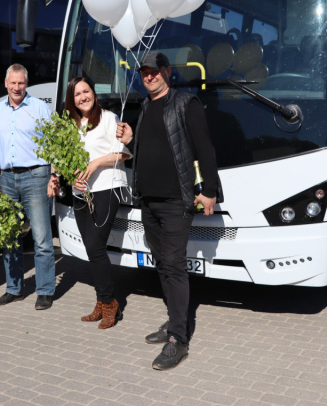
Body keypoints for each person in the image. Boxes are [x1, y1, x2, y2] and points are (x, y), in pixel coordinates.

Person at [116, 51, 220, 370]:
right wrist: (130, 142)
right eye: (144, 72)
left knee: (174, 266)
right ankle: (176, 321)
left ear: (166, 72)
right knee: (161, 264)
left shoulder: (186, 104)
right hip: (149, 200)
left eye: (154, 71)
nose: (149, 76)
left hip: (177, 201)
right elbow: (148, 151)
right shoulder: (146, 107)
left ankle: (179, 339)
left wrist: (210, 192)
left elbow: (205, 148)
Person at [53, 76, 131, 329]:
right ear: (71, 99)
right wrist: (69, 177)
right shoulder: (69, 125)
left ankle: (110, 303)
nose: (82, 97)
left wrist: (96, 163)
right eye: (77, 94)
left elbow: (124, 152)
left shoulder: (108, 118)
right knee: (90, 248)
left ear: (94, 93)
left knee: (96, 246)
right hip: (81, 193)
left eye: (86, 91)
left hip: (107, 188)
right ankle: (101, 301)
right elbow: (63, 159)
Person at [0, 64, 57, 310]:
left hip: (36, 176)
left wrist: (54, 176)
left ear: (27, 84)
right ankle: (14, 289)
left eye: (21, 83)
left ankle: (45, 290)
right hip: (7, 178)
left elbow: (53, 144)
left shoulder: (40, 108)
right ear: (5, 83)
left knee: (41, 238)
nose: (17, 87)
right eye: (13, 83)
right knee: (9, 236)